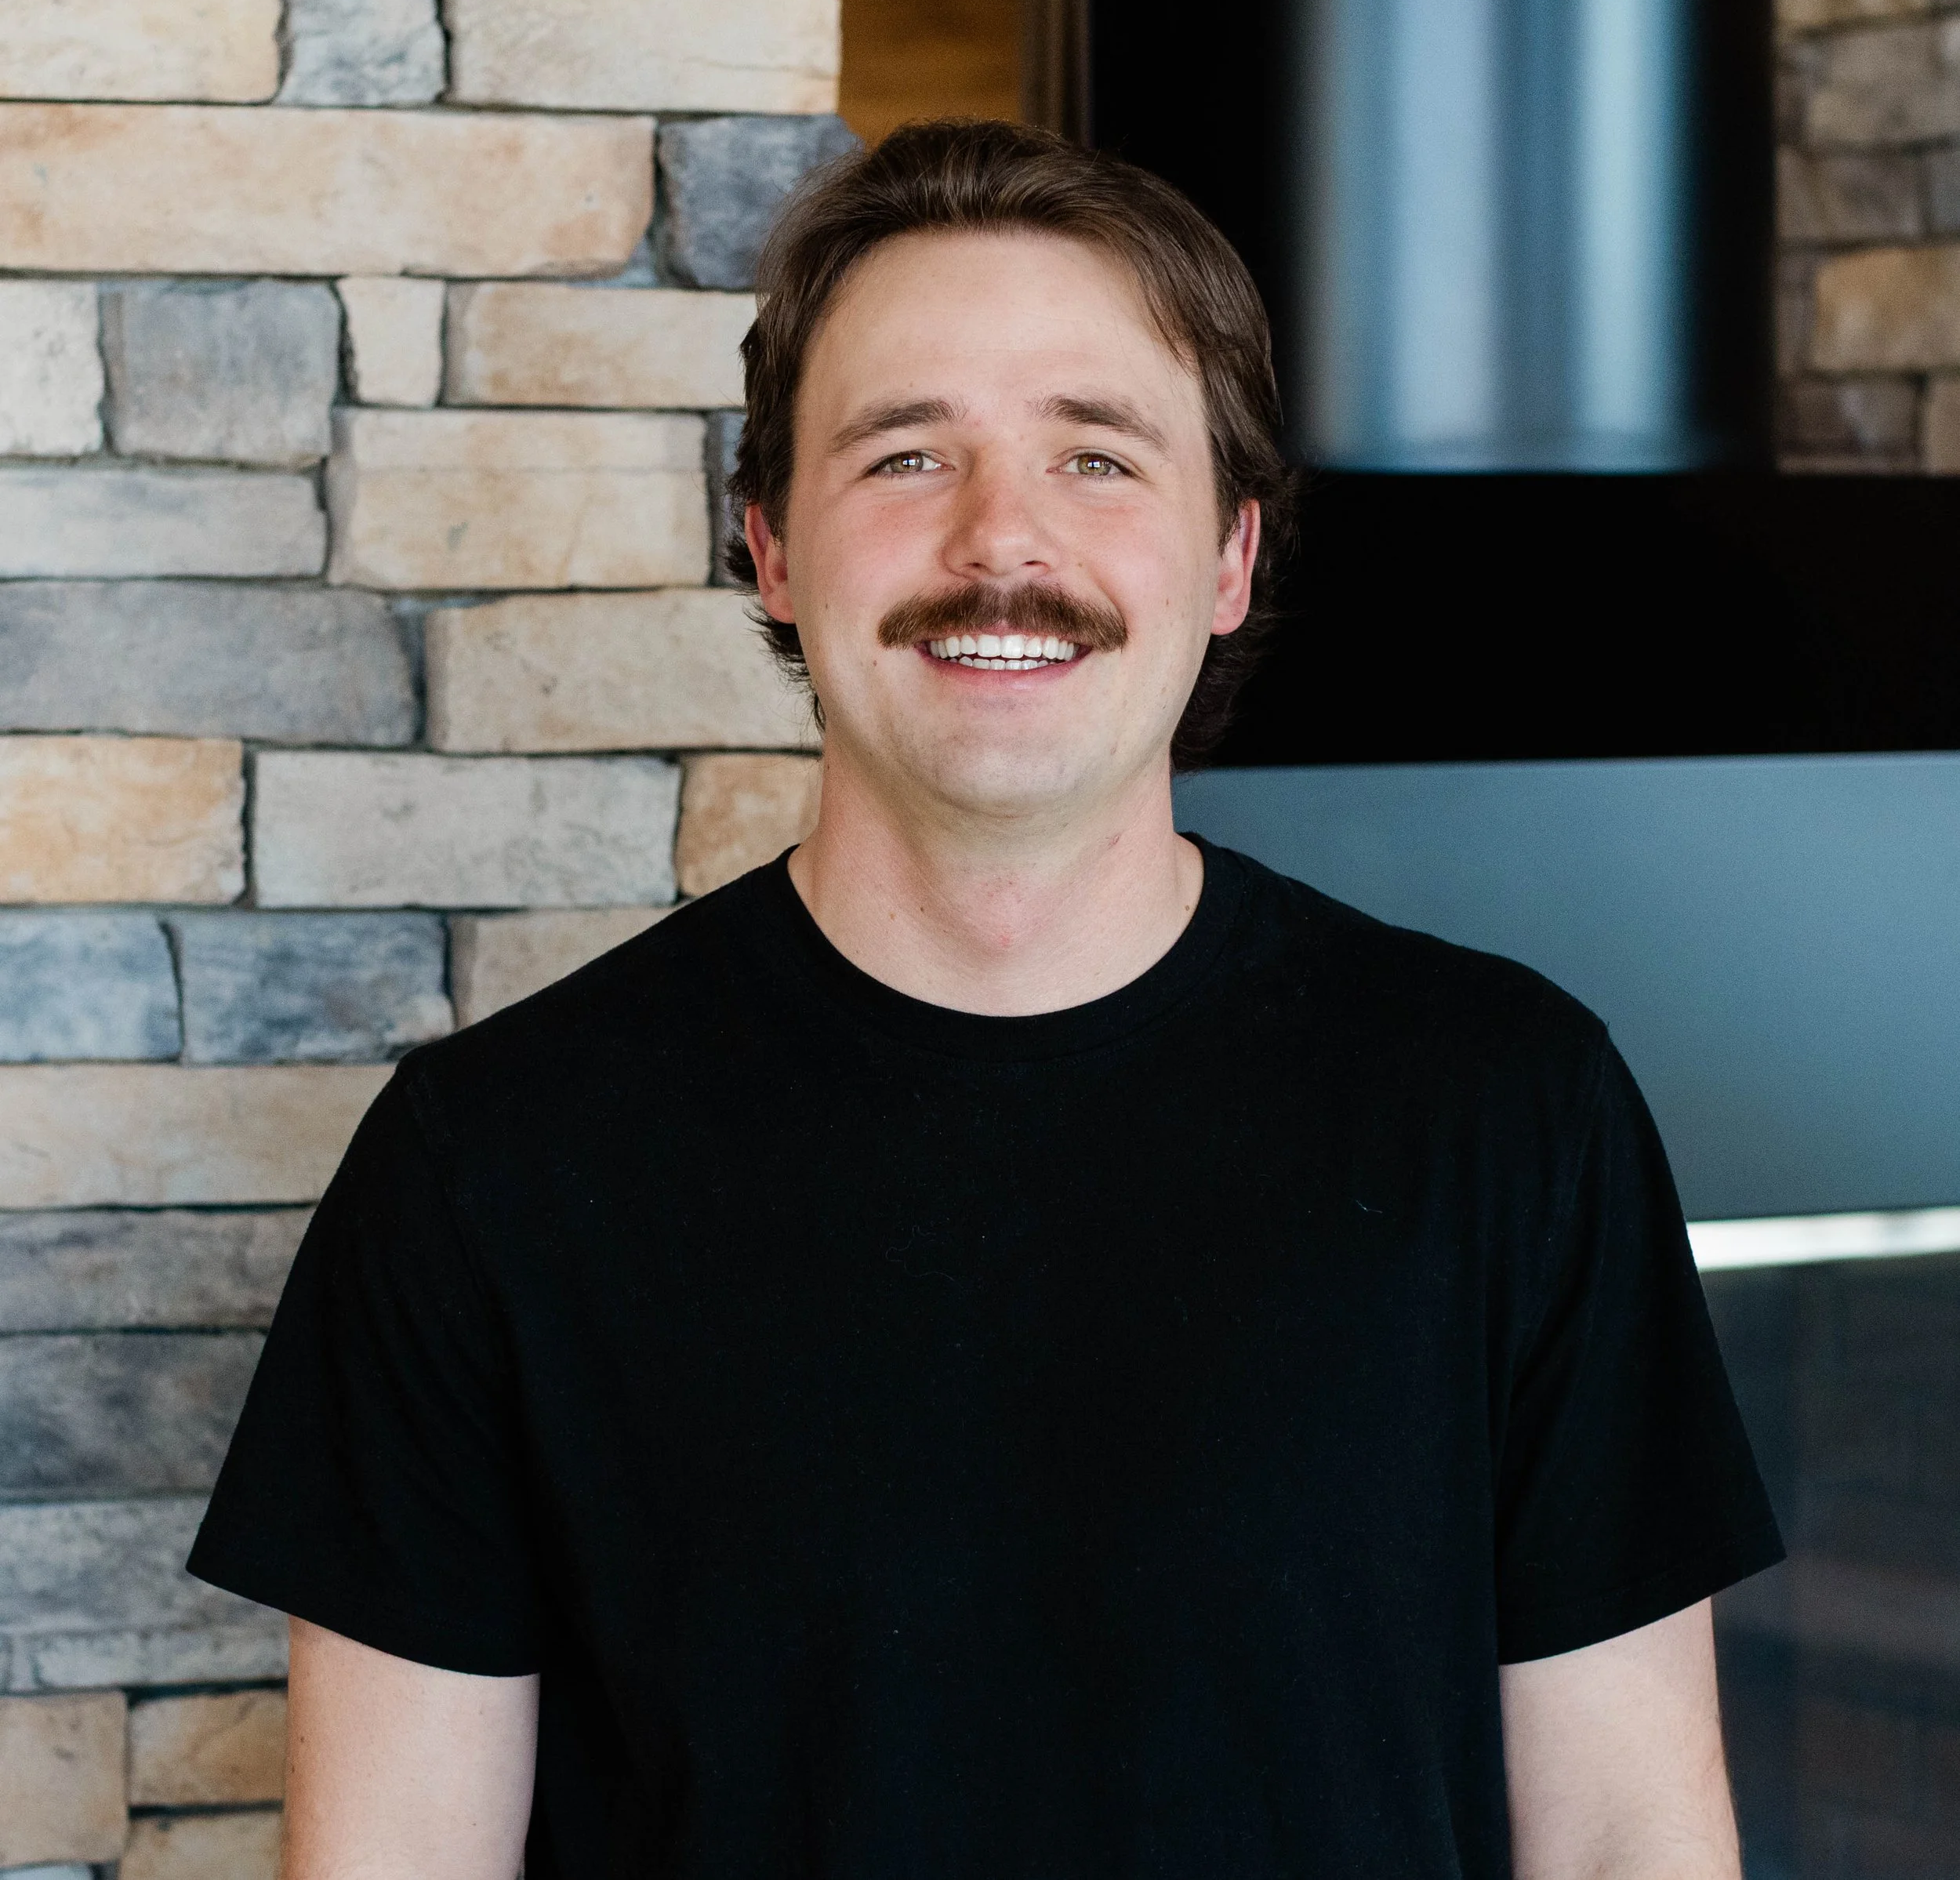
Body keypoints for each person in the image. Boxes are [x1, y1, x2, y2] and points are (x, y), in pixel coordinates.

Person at [191, 120, 1781, 1880]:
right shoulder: (482, 1167)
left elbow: (1631, 1836)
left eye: (1096, 457)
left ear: (1231, 557)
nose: (998, 538)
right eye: (901, 456)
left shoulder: (1506, 1110)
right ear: (771, 549)